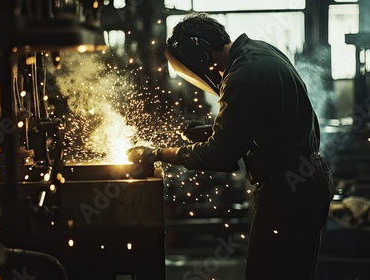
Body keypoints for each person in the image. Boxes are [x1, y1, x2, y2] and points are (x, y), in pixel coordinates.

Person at [126, 12, 335, 280]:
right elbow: (262, 121)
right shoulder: (257, 51)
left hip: (288, 192)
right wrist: (214, 131)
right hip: (305, 180)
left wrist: (157, 154)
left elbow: (221, 156)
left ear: (201, 54)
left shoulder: (240, 77)